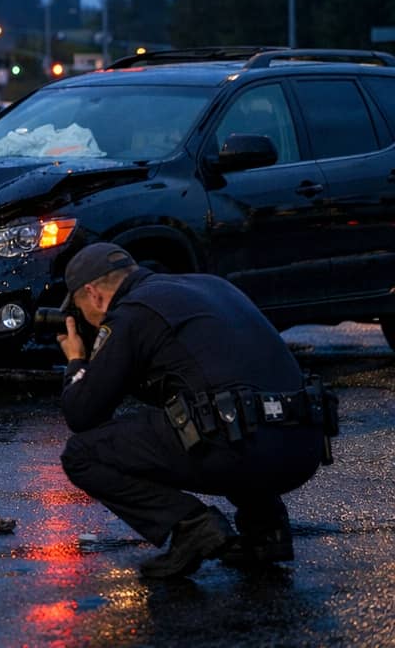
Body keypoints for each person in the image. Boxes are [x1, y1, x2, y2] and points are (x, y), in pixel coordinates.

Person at [56, 242, 333, 579]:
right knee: (217, 410)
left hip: (246, 451)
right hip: (303, 449)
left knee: (83, 454)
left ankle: (191, 527)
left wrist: (77, 361)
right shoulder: (212, 286)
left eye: (81, 309)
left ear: (94, 294)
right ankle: (266, 531)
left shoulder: (131, 313)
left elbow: (82, 413)